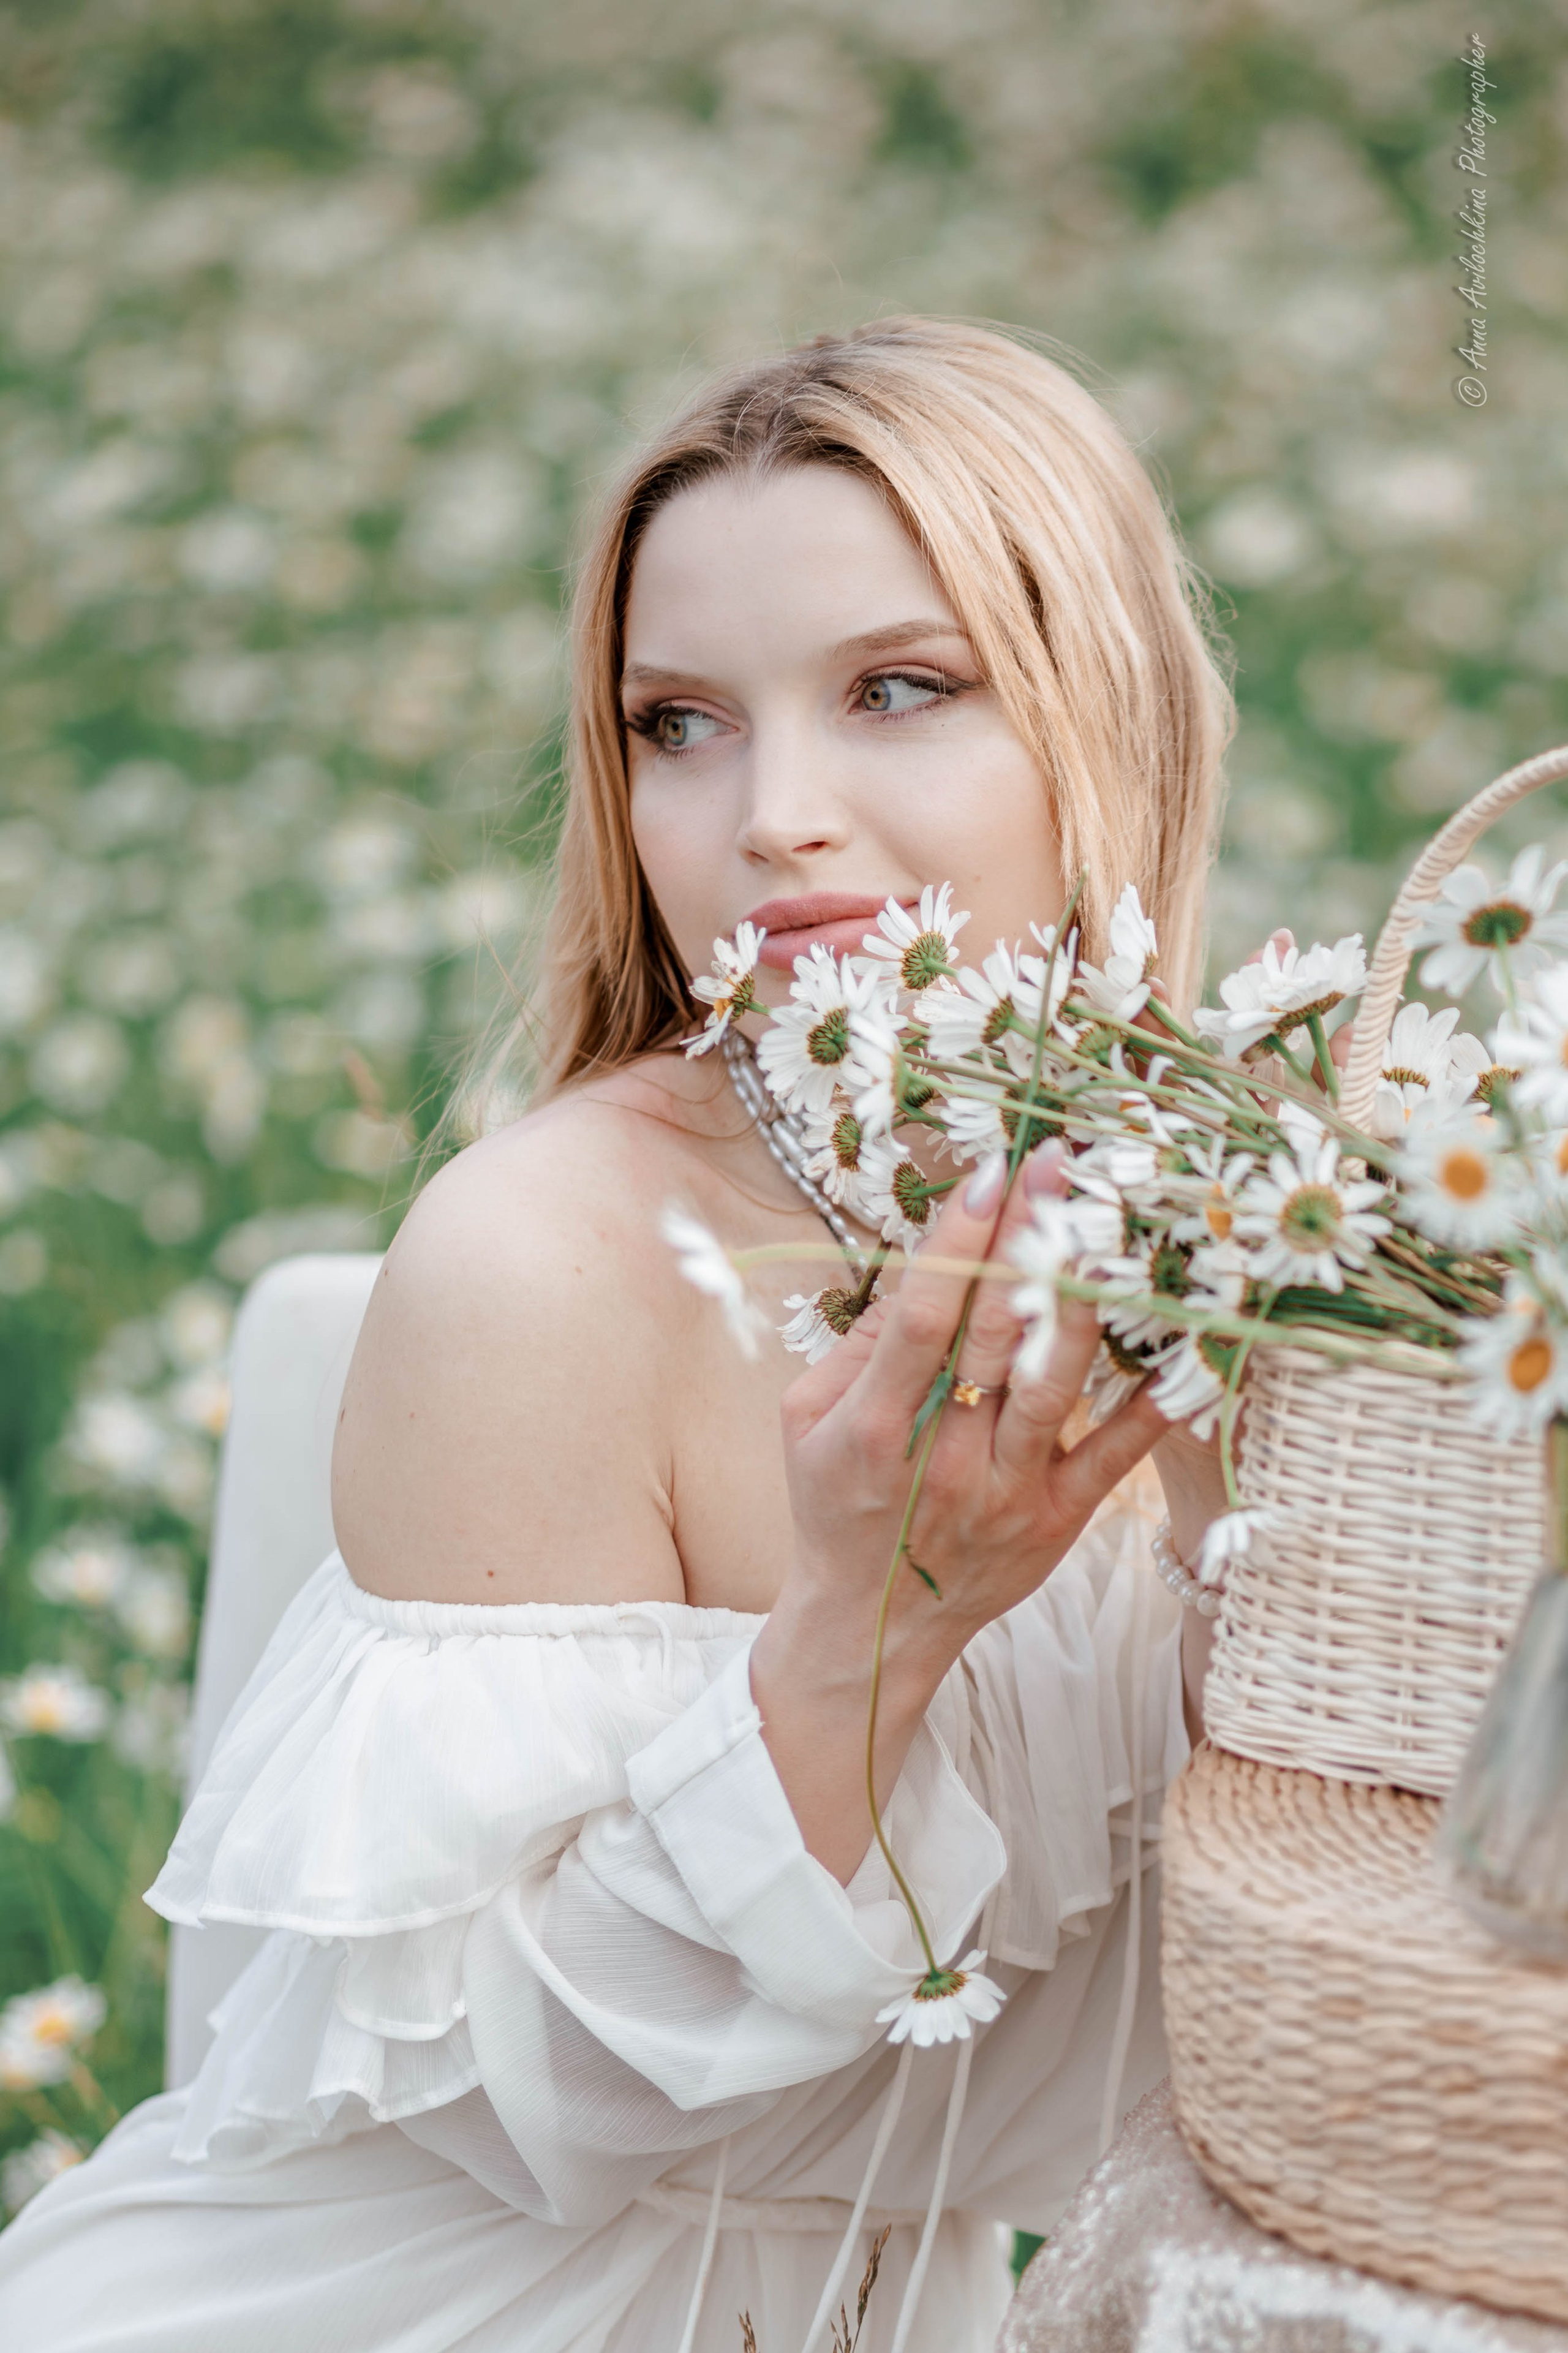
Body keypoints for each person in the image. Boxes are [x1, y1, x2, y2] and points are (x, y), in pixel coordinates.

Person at [0, 317, 1237, 2351]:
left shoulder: (1246, 1213)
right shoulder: (547, 1257)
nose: (774, 816)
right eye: (683, 722)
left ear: (1114, 720)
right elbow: (541, 2113)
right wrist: (879, 1615)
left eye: (896, 690)